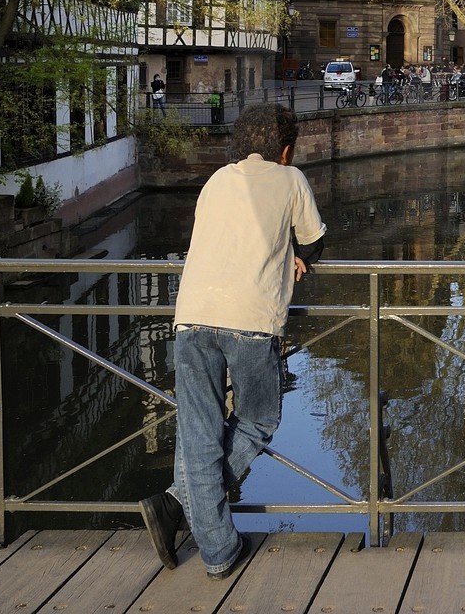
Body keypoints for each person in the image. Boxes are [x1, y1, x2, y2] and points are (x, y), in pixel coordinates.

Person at [139, 103, 326, 581]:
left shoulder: (217, 180)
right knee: (261, 418)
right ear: (284, 150)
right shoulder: (291, 179)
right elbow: (314, 240)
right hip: (249, 317)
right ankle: (197, 524)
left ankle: (195, 521)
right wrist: (299, 256)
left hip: (192, 316)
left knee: (198, 433)